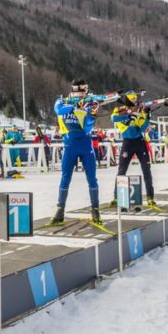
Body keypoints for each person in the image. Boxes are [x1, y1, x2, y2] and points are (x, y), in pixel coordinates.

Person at [50, 79, 102, 225]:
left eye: (85, 93)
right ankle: (60, 210)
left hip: (85, 145)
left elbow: (87, 128)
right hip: (69, 145)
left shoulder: (89, 104)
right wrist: (74, 106)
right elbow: (59, 110)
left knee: (92, 178)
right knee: (65, 178)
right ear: (75, 91)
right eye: (82, 92)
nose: (83, 95)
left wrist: (91, 114)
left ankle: (95, 210)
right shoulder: (61, 101)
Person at [111, 93, 157, 207]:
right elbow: (113, 118)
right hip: (127, 143)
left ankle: (150, 197)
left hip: (139, 142)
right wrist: (128, 116)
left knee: (147, 170)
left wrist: (147, 116)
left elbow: (142, 128)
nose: (134, 103)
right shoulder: (119, 109)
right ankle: (116, 197)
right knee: (121, 170)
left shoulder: (139, 110)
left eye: (136, 101)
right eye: (132, 101)